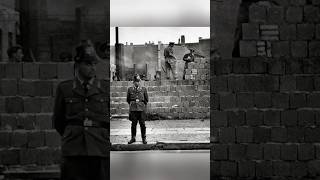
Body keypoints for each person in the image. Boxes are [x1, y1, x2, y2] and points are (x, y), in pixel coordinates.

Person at [53, 44, 109, 180]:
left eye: (94, 64)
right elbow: (58, 121)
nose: (93, 68)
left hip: (99, 148)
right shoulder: (65, 88)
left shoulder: (105, 88)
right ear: (78, 64)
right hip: (74, 149)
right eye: (88, 64)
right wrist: (72, 132)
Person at [127, 74, 149, 144]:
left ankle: (144, 138)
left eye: (138, 81)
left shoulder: (143, 89)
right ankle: (133, 138)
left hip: (141, 110)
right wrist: (133, 105)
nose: (137, 82)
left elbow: (146, 100)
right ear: (133, 82)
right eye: (136, 81)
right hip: (133, 110)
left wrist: (141, 105)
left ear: (140, 81)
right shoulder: (130, 89)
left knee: (142, 124)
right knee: (133, 125)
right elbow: (128, 100)